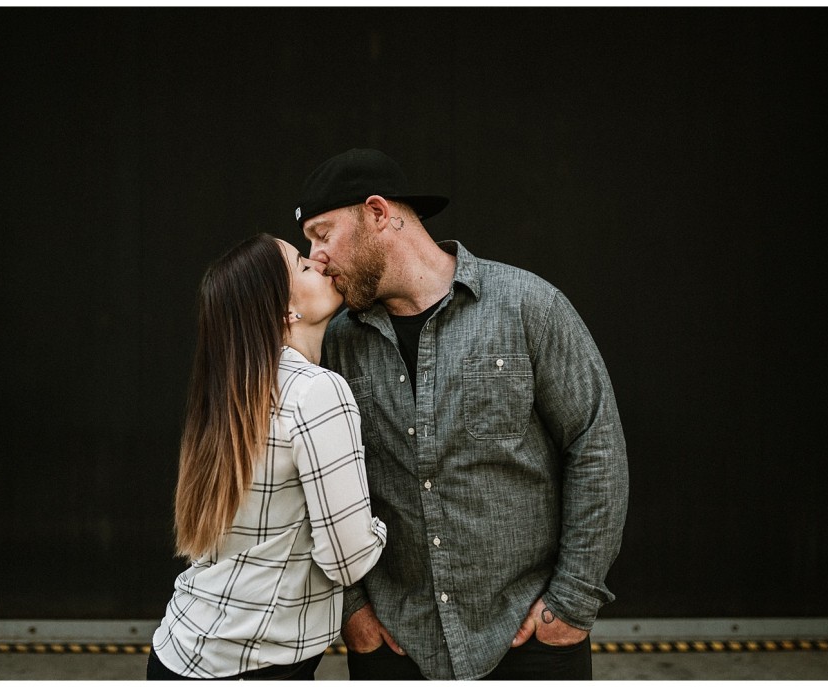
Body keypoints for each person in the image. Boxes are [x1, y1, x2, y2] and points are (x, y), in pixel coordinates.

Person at [293, 149, 629, 680]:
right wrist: (354, 613)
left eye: (322, 234)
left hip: (530, 638)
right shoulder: (334, 342)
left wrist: (570, 605)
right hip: (395, 647)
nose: (315, 258)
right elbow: (309, 485)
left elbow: (596, 447)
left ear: (377, 213)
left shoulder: (528, 306)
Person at [148, 233, 388, 680]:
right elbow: (347, 558)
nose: (319, 262)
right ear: (285, 311)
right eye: (303, 266)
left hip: (181, 651)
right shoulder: (318, 392)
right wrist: (380, 526)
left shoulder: (235, 392)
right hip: (252, 666)